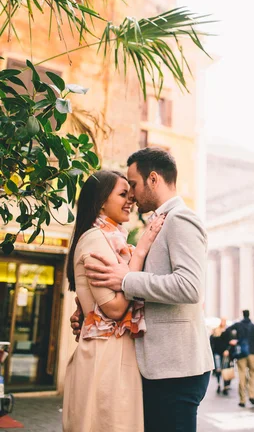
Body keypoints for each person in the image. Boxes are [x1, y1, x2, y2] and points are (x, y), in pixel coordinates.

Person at [70, 148, 214, 432]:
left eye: (133, 185)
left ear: (153, 179)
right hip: (153, 366)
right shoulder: (153, 225)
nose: (132, 195)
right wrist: (90, 312)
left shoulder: (180, 219)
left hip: (176, 367)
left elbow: (190, 286)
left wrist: (127, 280)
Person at [62, 170, 165, 432]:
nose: (130, 199)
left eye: (130, 193)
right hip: (105, 359)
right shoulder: (96, 239)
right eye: (123, 194)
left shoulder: (110, 238)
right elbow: (116, 309)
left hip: (112, 355)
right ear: (100, 202)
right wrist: (141, 250)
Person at [227, 310, 254, 407]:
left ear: (242, 315)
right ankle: (252, 395)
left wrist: (234, 340)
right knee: (252, 374)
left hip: (241, 354)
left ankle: (242, 399)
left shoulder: (238, 324)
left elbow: (227, 330)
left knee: (242, 375)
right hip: (252, 353)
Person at [210, 318, 231, 395]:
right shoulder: (216, 331)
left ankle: (225, 386)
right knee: (218, 369)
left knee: (225, 369)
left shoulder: (227, 331)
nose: (223, 322)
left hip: (225, 353)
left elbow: (229, 342)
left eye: (224, 321)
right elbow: (212, 342)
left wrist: (227, 350)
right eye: (222, 321)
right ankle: (219, 384)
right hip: (217, 353)